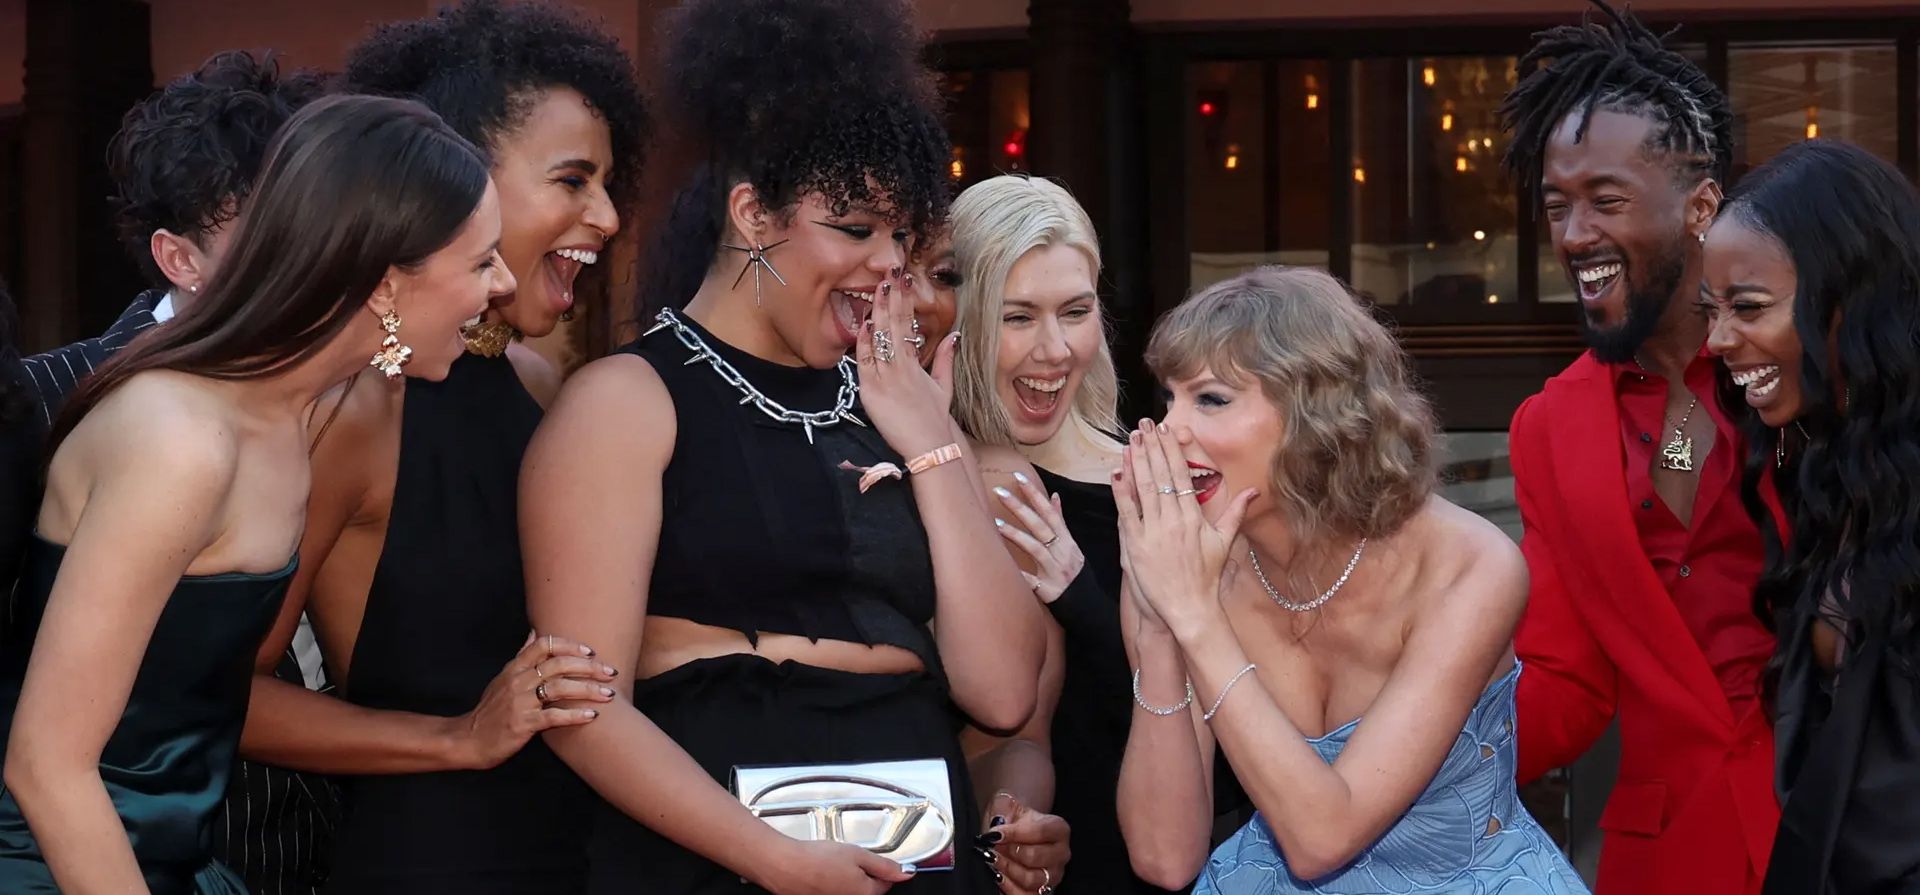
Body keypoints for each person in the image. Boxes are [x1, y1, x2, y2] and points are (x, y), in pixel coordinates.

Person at [520, 0, 1046, 891]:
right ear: (754, 214)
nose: (890, 263)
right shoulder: (625, 402)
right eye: (856, 228)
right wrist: (776, 860)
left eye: (903, 235)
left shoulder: (901, 405)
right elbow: (581, 707)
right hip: (715, 862)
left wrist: (933, 441)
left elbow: (1001, 691)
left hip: (917, 855)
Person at [0, 92, 508, 894]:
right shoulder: (181, 441)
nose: (501, 284)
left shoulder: (300, 416)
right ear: (384, 285)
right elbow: (47, 762)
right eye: (481, 261)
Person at [232, 2, 648, 891]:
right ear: (463, 178)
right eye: (573, 180)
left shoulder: (540, 384)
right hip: (435, 859)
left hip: (584, 853)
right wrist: (456, 738)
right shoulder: (356, 410)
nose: (608, 216)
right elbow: (226, 694)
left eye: (609, 183)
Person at [1110, 266, 1582, 894]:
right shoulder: (1190, 567)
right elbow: (1165, 858)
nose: (1169, 432)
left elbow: (1323, 839)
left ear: (1315, 413)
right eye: (1169, 399)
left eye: (1211, 399)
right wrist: (1158, 628)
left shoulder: (1468, 565)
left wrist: (1194, 617)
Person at [6, 50, 339, 895]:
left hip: (294, 845)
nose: (314, 253)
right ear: (179, 258)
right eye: (273, 229)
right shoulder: (49, 398)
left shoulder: (357, 390)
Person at [1497, 2, 1780, 891]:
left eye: (1606, 200)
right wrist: (1393, 741)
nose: (1575, 233)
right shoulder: (1549, 428)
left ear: (1701, 206)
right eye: (1558, 207)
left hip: (1850, 824)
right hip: (1662, 858)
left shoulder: (1807, 365)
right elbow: (1566, 680)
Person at [1699, 138, 1920, 894]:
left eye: (1748, 307)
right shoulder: (1830, 473)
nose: (1717, 340)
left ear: (1851, 299)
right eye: (1711, 310)